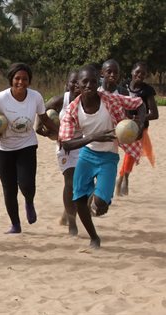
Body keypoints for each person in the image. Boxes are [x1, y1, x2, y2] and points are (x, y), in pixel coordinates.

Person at [59, 65, 145, 249]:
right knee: (79, 199)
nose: (89, 85)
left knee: (101, 205)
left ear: (97, 82)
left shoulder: (109, 99)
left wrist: (140, 124)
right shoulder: (73, 110)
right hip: (87, 155)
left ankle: (99, 199)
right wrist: (93, 137)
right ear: (78, 87)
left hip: (109, 157)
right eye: (85, 82)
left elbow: (138, 103)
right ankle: (94, 238)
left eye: (92, 81)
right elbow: (65, 143)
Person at [0, 63, 59, 234]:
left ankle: (29, 201)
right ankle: (15, 225)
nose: (21, 82)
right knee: (9, 188)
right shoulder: (0, 99)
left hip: (26, 145)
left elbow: (44, 118)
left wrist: (60, 133)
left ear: (29, 81)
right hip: (3, 148)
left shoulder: (35, 97)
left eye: (25, 79)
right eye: (17, 78)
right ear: (11, 80)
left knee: (27, 184)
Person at [36, 70, 80, 236]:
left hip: (86, 144)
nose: (77, 85)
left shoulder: (90, 99)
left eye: (79, 82)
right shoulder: (60, 100)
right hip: (65, 146)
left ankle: (65, 214)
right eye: (73, 82)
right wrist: (50, 132)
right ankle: (72, 223)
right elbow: (40, 120)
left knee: (84, 183)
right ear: (66, 84)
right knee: (70, 182)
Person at [116, 61, 159, 196]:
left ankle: (124, 178)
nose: (140, 75)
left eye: (143, 74)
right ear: (132, 72)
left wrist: (139, 119)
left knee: (131, 155)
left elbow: (154, 114)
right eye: (137, 72)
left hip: (138, 128)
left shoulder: (147, 91)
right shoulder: (122, 86)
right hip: (120, 124)